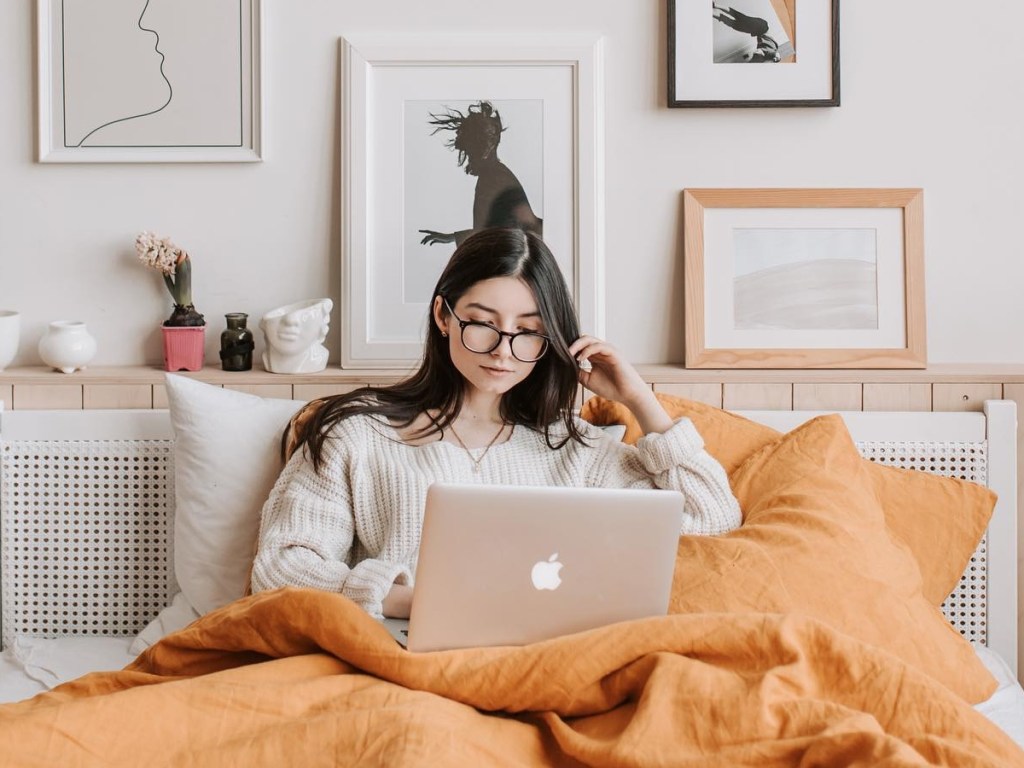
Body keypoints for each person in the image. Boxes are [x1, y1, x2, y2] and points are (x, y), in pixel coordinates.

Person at [250, 228, 742, 619]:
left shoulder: (578, 450)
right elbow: (281, 567)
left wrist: (639, 398)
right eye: (483, 324)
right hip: (401, 654)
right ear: (444, 315)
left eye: (528, 332)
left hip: (550, 659)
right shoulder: (358, 435)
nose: (505, 352)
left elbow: (712, 519)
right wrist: (410, 600)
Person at [418, 101, 543, 248]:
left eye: (471, 153)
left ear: (485, 148)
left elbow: (492, 234)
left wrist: (452, 237)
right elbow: (491, 231)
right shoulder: (496, 175)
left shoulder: (494, 178)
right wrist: (452, 237)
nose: (469, 158)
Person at [259, 298, 332, 374]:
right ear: (264, 326)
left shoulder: (317, 359)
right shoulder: (267, 359)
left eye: (305, 315)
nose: (290, 320)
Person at [712, 3, 782, 63]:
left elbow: (753, 57)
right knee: (736, 17)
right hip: (761, 27)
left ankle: (712, 11)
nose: (756, 51)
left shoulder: (762, 52)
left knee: (733, 23)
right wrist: (776, 59)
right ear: (762, 55)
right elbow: (776, 54)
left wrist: (751, 59)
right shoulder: (770, 52)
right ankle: (714, 5)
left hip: (757, 29)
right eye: (757, 52)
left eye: (755, 53)